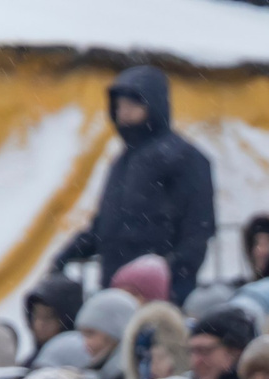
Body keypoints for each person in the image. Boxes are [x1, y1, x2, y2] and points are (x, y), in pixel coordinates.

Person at [50, 68, 213, 307]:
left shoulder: (183, 157)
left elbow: (196, 231)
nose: (122, 112)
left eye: (132, 104)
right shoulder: (123, 161)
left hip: (159, 293)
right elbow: (106, 225)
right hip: (117, 288)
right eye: (119, 105)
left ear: (154, 105)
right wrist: (67, 255)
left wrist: (173, 278)